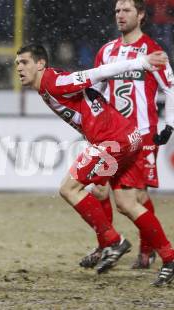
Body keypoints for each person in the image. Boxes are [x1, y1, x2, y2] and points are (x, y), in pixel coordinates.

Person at [15, 43, 174, 286]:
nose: (19, 68)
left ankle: (113, 241)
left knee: (69, 188)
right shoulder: (50, 83)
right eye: (17, 63)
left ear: (40, 64)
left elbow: (97, 73)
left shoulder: (53, 82)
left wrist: (140, 63)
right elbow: (91, 87)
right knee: (126, 203)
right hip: (128, 136)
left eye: (24, 62)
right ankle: (169, 258)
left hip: (111, 141)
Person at [81, 0, 174, 271]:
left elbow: (169, 88)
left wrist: (170, 124)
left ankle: (148, 252)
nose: (120, 16)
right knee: (97, 188)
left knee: (137, 199)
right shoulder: (107, 51)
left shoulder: (153, 50)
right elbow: (94, 86)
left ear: (141, 15)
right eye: (117, 11)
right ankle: (107, 244)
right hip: (114, 135)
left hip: (142, 136)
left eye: (127, 11)